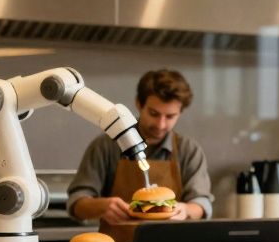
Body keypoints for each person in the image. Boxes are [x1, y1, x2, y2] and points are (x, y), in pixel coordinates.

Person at [68, 69, 212, 225]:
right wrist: (100, 207)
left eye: (170, 116)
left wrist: (186, 209)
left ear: (180, 113)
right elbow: (76, 203)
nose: (161, 124)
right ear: (139, 103)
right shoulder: (105, 146)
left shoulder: (189, 150)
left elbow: (202, 203)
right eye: (153, 113)